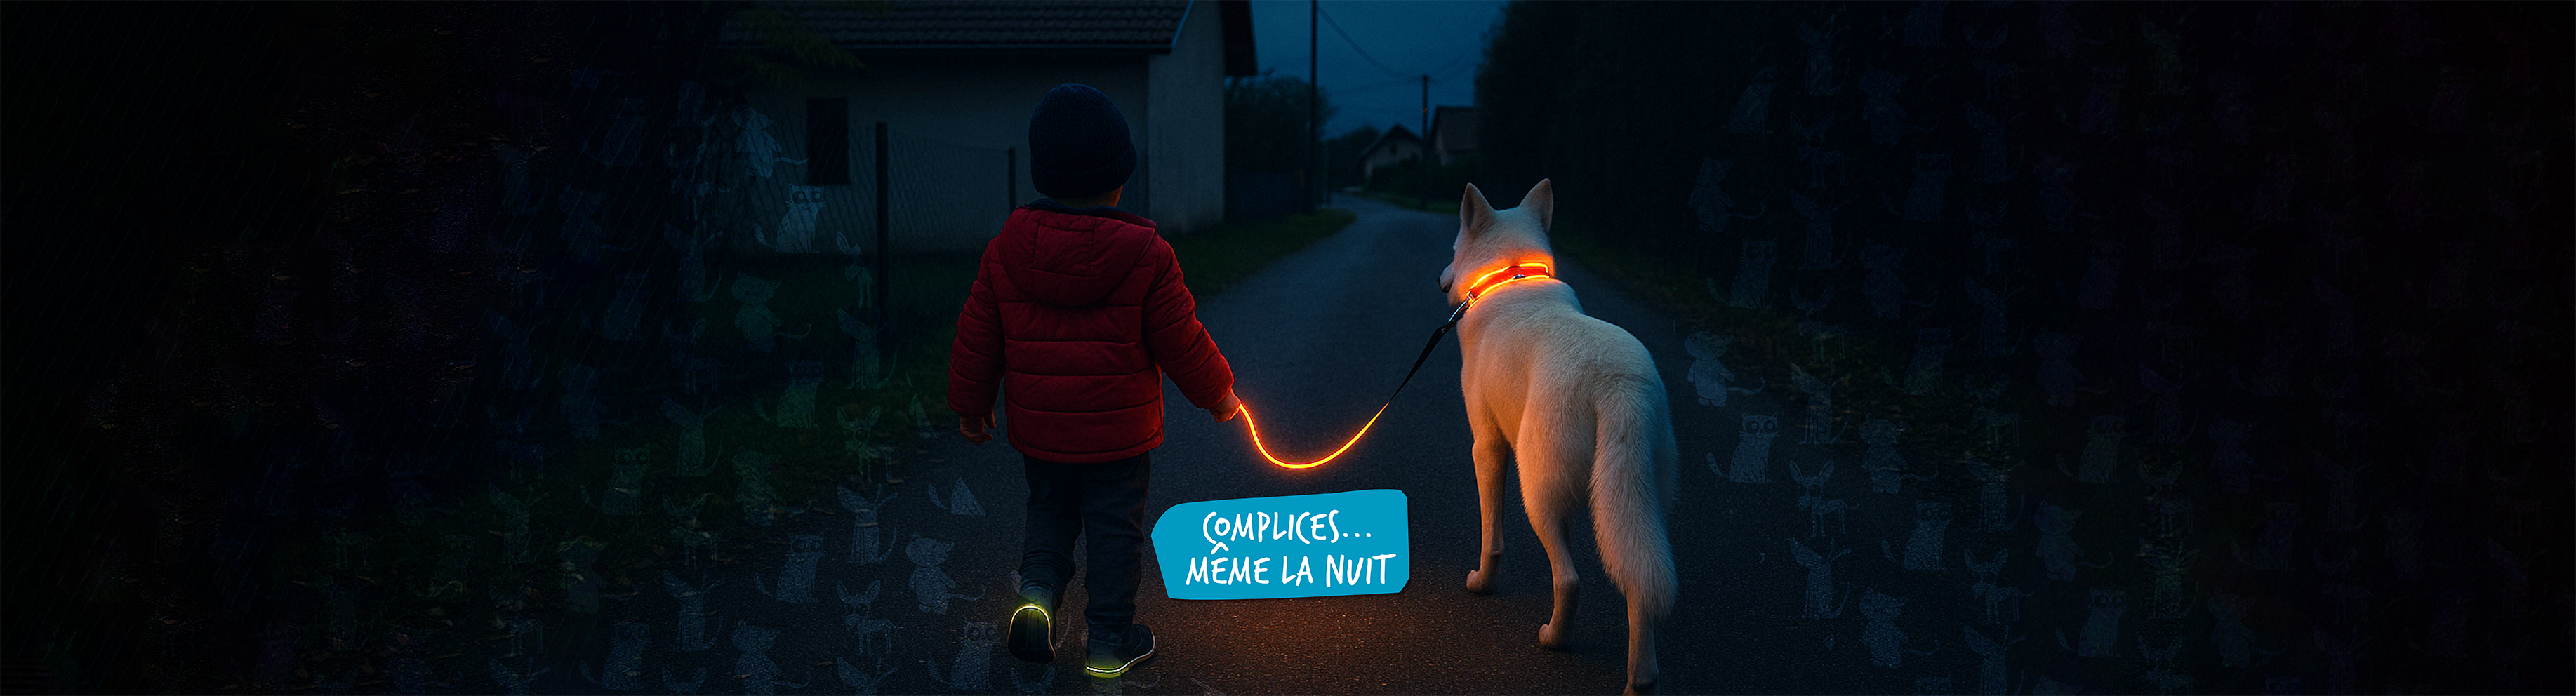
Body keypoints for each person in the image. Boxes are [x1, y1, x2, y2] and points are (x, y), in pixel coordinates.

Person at [948, 83, 1240, 679]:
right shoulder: (1147, 254)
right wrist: (1218, 395)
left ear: (1044, 177)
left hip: (1043, 430)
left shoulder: (1006, 248)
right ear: (1118, 179)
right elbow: (1183, 340)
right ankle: (1109, 639)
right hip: (1119, 437)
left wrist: (971, 406)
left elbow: (978, 335)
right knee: (1115, 530)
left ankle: (1035, 598)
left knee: (1050, 514)